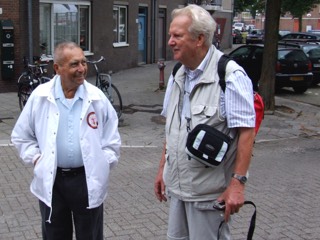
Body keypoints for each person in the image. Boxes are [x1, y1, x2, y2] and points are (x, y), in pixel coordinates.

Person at [154, 5, 256, 240]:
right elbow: (172, 129)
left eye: (177, 35)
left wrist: (238, 184)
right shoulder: (178, 73)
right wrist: (163, 170)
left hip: (209, 196)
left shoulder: (230, 76)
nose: (170, 41)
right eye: (171, 35)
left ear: (199, 39)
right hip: (178, 192)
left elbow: (246, 133)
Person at [11, 41, 121, 240]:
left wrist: (103, 162)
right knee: (54, 235)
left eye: (84, 62)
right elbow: (21, 135)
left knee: (90, 235)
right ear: (57, 68)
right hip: (53, 181)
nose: (82, 69)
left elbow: (112, 138)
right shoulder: (40, 97)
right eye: (74, 64)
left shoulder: (97, 98)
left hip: (86, 180)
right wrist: (36, 159)